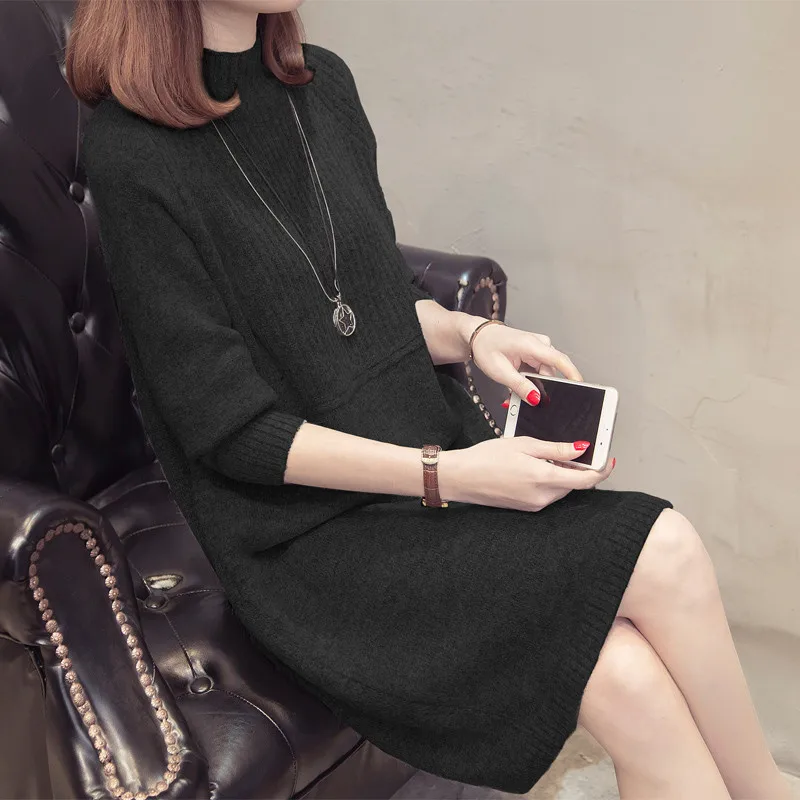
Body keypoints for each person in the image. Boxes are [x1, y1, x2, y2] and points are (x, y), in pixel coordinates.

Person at [66, 1, 790, 797]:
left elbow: (362, 300)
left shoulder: (322, 87)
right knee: (666, 549)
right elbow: (233, 431)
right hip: (306, 540)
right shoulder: (131, 152)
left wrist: (471, 336)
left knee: (633, 688)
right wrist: (451, 475)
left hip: (423, 468)